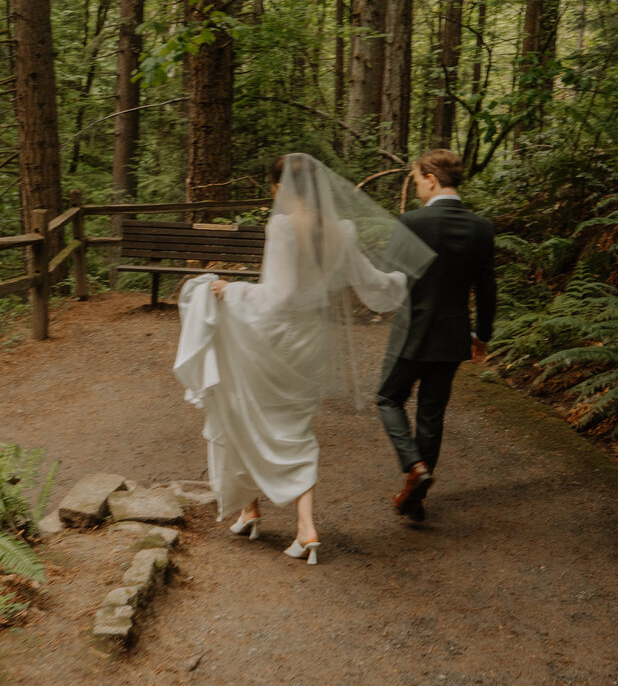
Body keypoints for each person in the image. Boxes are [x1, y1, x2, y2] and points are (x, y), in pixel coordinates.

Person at [174, 153, 435, 563]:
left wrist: (232, 290)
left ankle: (257, 509)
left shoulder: (281, 227)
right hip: (311, 341)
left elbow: (277, 297)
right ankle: (290, 523)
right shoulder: (342, 230)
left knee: (243, 411)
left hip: (274, 339)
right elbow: (371, 283)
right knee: (295, 428)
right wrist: (405, 281)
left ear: (280, 189)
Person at [377, 148, 496, 522]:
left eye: (416, 181)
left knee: (387, 398)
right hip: (452, 335)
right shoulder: (481, 227)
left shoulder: (412, 222)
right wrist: (482, 335)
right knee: (431, 413)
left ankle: (414, 467)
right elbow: (488, 289)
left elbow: (390, 278)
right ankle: (416, 495)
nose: (416, 189)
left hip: (412, 332)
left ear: (431, 179)